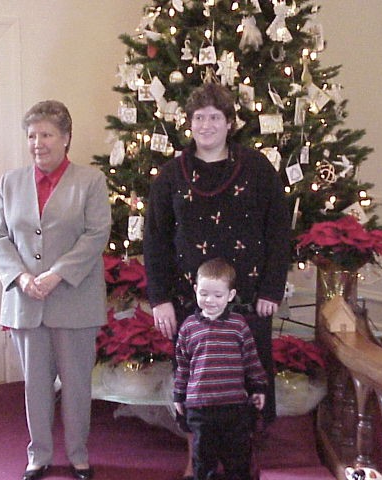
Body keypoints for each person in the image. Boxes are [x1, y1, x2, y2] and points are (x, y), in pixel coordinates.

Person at [143, 82, 291, 479]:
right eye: (199, 117)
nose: (206, 125)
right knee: (195, 381)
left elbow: (279, 231)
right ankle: (197, 459)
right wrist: (159, 299)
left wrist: (271, 289)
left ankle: (245, 458)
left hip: (248, 300)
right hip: (189, 303)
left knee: (249, 378)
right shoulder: (170, 176)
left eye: (214, 117)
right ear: (189, 123)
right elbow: (154, 239)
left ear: (229, 123)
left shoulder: (257, 169)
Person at [0, 100, 111, 480]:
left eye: (46, 135)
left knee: (76, 386)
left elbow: (96, 235)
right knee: (36, 386)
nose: (37, 143)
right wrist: (22, 278)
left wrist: (57, 275)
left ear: (66, 138)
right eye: (31, 136)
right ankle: (38, 455)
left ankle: (78, 455)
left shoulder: (91, 181)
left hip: (74, 299)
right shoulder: (10, 182)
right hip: (26, 301)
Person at [174, 258, 267, 480]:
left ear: (230, 295)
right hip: (200, 407)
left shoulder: (238, 325)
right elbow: (182, 366)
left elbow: (251, 360)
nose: (210, 300)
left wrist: (258, 388)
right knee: (203, 459)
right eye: (204, 294)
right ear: (195, 290)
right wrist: (179, 395)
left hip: (233, 406)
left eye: (218, 295)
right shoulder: (188, 327)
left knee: (238, 457)